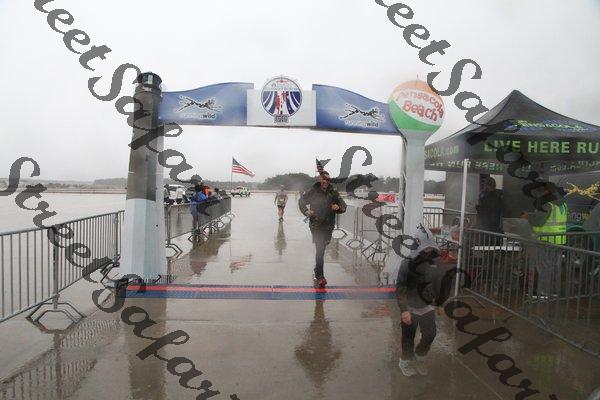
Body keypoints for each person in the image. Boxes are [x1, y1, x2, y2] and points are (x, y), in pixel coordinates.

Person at [396, 225, 452, 377]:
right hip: (410, 306)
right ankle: (405, 362)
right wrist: (404, 310)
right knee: (408, 338)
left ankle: (420, 356)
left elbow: (441, 283)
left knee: (430, 334)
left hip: (427, 305)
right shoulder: (407, 263)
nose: (427, 250)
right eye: (424, 247)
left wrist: (440, 303)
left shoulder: (436, 262)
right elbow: (400, 288)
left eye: (429, 247)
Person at [299, 171, 347, 288]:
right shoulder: (313, 191)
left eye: (328, 179)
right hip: (316, 225)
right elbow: (301, 201)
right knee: (320, 249)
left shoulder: (333, 192)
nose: (325, 181)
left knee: (323, 248)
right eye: (323, 179)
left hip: (328, 226)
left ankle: (317, 270)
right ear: (319, 179)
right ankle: (320, 277)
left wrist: (338, 207)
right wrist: (306, 211)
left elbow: (343, 205)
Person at [521, 183, 568, 298]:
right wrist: (533, 215)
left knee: (543, 266)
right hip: (559, 240)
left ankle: (543, 292)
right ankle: (554, 292)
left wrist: (528, 217)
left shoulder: (547, 204)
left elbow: (539, 222)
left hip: (545, 240)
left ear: (547, 191)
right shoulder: (563, 205)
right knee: (555, 267)